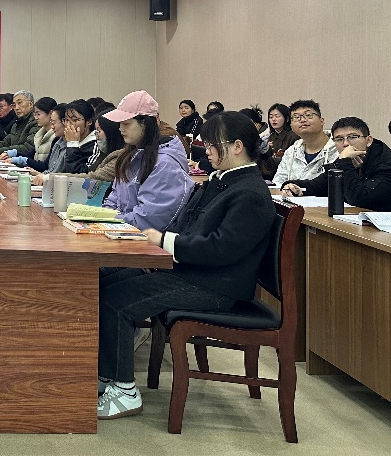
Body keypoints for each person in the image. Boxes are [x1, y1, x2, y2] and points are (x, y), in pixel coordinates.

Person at [97, 111, 276, 420]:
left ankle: (125, 391)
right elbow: (187, 224)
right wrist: (160, 249)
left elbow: (222, 248)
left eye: (212, 145)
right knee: (105, 282)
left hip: (216, 286)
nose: (206, 150)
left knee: (117, 301)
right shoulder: (221, 181)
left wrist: (165, 242)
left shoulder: (250, 192)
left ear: (237, 147)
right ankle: (107, 373)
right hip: (191, 271)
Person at [283, 117, 391, 212]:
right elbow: (320, 184)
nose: (346, 144)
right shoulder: (348, 160)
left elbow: (359, 199)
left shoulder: (388, 164)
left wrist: (345, 163)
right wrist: (294, 186)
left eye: (353, 137)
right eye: (339, 139)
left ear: (368, 140)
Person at [101, 91, 193, 230]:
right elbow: (113, 199)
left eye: (126, 123)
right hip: (122, 232)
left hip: (145, 239)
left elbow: (148, 221)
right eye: (120, 123)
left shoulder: (165, 164)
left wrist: (108, 220)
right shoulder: (130, 156)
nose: (120, 129)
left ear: (146, 123)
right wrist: (103, 219)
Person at [273, 99, 340, 190]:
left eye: (308, 115)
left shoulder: (338, 149)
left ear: (321, 121)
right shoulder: (291, 152)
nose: (303, 120)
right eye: (296, 117)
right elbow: (278, 185)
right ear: (291, 126)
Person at [2, 97, 56, 164]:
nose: (36, 118)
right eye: (35, 114)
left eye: (38, 114)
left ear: (50, 114)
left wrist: (21, 160)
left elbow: (46, 165)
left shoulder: (55, 137)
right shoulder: (39, 134)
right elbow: (31, 155)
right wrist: (13, 154)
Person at [260, 103, 297, 179]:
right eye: (271, 117)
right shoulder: (270, 137)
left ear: (287, 118)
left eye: (277, 116)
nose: (273, 119)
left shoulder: (293, 136)